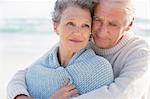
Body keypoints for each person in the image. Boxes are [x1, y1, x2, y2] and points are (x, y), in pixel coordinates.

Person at [7, 0, 150, 99]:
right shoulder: (83, 40)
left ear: (129, 25)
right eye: (97, 20)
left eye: (113, 24)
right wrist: (20, 96)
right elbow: (27, 72)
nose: (101, 31)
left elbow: (121, 95)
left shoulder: (140, 52)